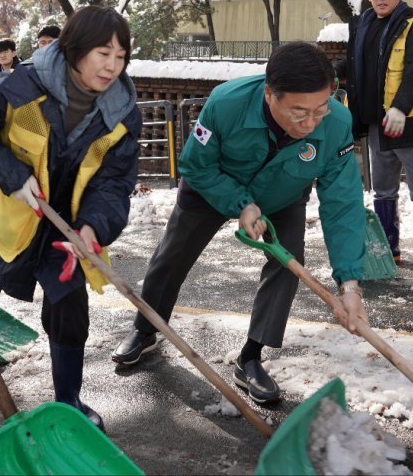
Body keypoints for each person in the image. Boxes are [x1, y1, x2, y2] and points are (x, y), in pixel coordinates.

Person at [112, 42, 368, 405]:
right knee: (172, 255)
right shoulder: (225, 103)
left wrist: (350, 283)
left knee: (289, 261)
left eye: (320, 109)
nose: (310, 123)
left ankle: (252, 356)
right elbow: (196, 165)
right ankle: (146, 328)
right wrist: (241, 203)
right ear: (270, 94)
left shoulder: (337, 124)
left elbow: (343, 205)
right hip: (213, 185)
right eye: (298, 112)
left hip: (283, 193)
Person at [0, 6, 141, 432]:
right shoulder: (19, 86)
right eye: (103, 53)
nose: (112, 66)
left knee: (70, 307)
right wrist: (13, 176)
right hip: (5, 219)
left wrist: (93, 226)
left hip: (65, 230)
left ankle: (68, 399)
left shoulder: (122, 113)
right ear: (73, 50)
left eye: (121, 56)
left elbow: (115, 181)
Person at [340, 0, 413, 266]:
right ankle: (388, 249)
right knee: (383, 189)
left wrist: (400, 108)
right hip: (375, 122)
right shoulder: (363, 23)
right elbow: (356, 68)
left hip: (410, 120)